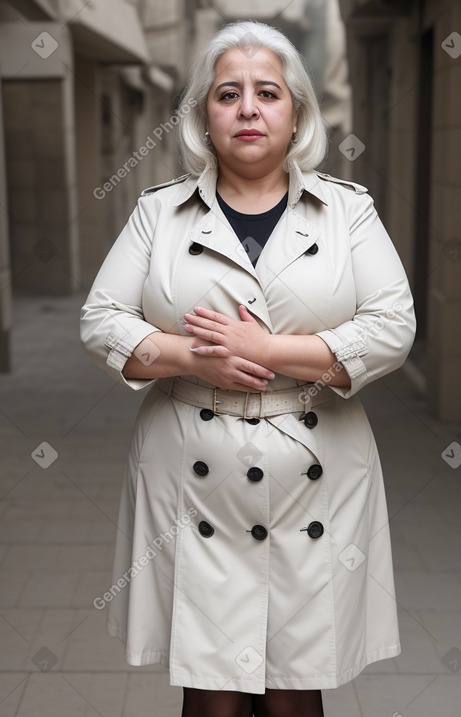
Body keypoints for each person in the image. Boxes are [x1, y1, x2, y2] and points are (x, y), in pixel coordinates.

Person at [80, 19, 416, 717]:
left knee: (297, 691)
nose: (248, 108)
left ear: (297, 113)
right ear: (205, 114)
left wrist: (266, 352)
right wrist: (194, 356)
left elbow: (392, 327)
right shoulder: (159, 213)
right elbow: (102, 319)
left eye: (268, 92)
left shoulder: (348, 213)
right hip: (195, 481)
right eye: (228, 93)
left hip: (314, 476)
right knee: (213, 696)